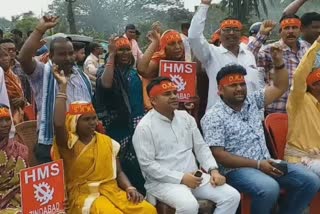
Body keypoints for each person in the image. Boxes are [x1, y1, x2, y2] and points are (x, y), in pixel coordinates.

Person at [201, 46, 320, 213]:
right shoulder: (214, 115)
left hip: (267, 163)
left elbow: (280, 86)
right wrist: (257, 164)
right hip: (236, 170)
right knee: (269, 188)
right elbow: (219, 155)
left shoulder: (252, 101)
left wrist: (278, 63)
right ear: (220, 90)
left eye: (242, 84)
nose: (239, 88)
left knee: (310, 181)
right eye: (233, 85)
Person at [51, 66, 156, 214]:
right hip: (84, 196)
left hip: (111, 191)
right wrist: (62, 87)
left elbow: (118, 172)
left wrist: (129, 187)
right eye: (86, 119)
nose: (92, 123)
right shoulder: (68, 143)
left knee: (148, 210)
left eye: (94, 118)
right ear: (74, 122)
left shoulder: (106, 142)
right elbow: (58, 123)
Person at [133, 77, 240, 214]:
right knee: (189, 206)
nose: (173, 97)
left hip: (195, 178)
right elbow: (148, 166)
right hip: (163, 183)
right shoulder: (144, 127)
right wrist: (181, 178)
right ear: (153, 100)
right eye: (167, 94)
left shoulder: (185, 118)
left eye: (174, 92)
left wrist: (213, 170)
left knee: (232, 196)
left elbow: (201, 148)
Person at [18, 16, 92, 164]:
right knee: (55, 187)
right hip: (51, 143)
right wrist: (40, 30)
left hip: (81, 141)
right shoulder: (43, 73)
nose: (68, 58)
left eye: (71, 53)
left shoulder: (83, 78)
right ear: (51, 56)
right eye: (62, 54)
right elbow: (24, 59)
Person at [189, 0, 263, 111]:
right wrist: (204, 5)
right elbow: (194, 37)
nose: (231, 33)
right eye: (227, 29)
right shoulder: (211, 54)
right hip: (220, 118)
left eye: (235, 29)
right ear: (220, 34)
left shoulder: (249, 55)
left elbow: (256, 87)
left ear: (241, 33)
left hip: (250, 117)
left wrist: (260, 114)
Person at [94, 36, 146, 194]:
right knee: (118, 162)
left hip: (136, 124)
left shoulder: (133, 73)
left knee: (136, 163)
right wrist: (110, 55)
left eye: (127, 49)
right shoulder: (106, 70)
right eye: (120, 50)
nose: (124, 53)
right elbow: (106, 84)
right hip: (116, 126)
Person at [248, 15, 310, 114]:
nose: (290, 31)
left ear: (300, 30)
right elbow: (248, 57)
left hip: (301, 111)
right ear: (280, 32)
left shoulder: (306, 48)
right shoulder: (271, 49)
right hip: (276, 111)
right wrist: (262, 35)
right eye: (286, 28)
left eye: (294, 27)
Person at [285, 36, 320, 168]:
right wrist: (317, 44)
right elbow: (299, 75)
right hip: (300, 160)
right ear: (314, 85)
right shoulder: (299, 99)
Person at [0, 104, 29, 212]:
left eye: (7, 119)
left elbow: (28, 181)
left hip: (22, 199)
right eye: (0, 120)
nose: (4, 125)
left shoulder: (20, 148)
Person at [0, 39, 32, 103]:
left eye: (13, 49)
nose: (11, 52)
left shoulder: (23, 68)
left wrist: (23, 100)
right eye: (7, 50)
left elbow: (29, 91)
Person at [0, 47, 26, 125]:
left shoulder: (15, 77)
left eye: (6, 55)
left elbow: (24, 97)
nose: (4, 58)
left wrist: (21, 101)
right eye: (0, 56)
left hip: (18, 117)